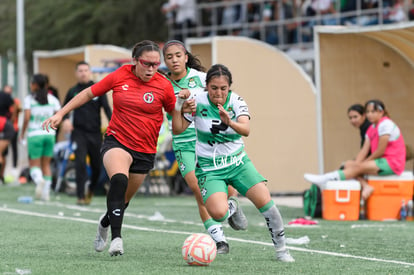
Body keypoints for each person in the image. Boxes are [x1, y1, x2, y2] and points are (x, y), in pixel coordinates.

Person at [42, 40, 183, 257]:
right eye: (147, 64)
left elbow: (177, 123)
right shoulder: (120, 75)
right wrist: (61, 113)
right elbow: (88, 93)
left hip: (145, 150)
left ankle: (105, 221)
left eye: (156, 65)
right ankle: (117, 239)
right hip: (117, 141)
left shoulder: (163, 85)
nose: (152, 69)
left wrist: (185, 111)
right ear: (135, 61)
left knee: (123, 199)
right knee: (119, 179)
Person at [171, 64, 295, 262]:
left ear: (229, 88)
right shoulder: (196, 100)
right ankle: (232, 207)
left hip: (238, 163)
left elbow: (245, 130)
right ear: (206, 87)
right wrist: (179, 105)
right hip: (210, 169)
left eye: (223, 88)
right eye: (213, 88)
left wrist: (230, 122)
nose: (218, 93)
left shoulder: (237, 102)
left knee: (268, 205)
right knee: (219, 214)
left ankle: (282, 251)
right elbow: (177, 130)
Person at [162, 40, 248, 254]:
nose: (174, 60)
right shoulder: (161, 84)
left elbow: (225, 96)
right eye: (169, 56)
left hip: (208, 140)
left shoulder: (202, 79)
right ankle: (220, 241)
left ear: (185, 57)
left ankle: (232, 205)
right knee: (200, 191)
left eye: (178, 55)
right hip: (183, 142)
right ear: (165, 60)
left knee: (227, 190)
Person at [305, 99, 406, 200]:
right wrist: (357, 164)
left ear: (381, 112)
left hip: (392, 162)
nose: (369, 115)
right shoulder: (371, 128)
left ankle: (326, 178)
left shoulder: (386, 124)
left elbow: (381, 151)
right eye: (367, 112)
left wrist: (363, 163)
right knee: (349, 164)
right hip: (381, 161)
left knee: (357, 167)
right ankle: (366, 187)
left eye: (373, 112)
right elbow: (364, 150)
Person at [63, 61, 112, 205]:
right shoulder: (72, 91)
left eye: (85, 70)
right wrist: (65, 119)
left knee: (97, 166)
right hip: (79, 133)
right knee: (80, 163)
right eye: (80, 70)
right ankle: (80, 196)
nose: (83, 73)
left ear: (90, 72)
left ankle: (91, 189)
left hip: (95, 133)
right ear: (76, 73)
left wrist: (114, 124)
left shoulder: (98, 89)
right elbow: (64, 109)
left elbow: (107, 109)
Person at [20, 74, 61, 200]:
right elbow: (58, 116)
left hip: (34, 135)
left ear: (35, 85)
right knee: (46, 165)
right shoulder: (53, 99)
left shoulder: (29, 100)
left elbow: (26, 118)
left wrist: (22, 134)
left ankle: (39, 181)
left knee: (34, 166)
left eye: (31, 83)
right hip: (49, 135)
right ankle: (46, 194)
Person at [2, 85, 21, 180]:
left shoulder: (15, 102)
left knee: (14, 148)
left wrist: (12, 120)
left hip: (13, 128)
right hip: (5, 128)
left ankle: (14, 168)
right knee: (3, 152)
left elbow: (18, 110)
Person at [0, 88, 16, 185]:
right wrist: (12, 120)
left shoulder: (4, 95)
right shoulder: (5, 95)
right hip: (7, 125)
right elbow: (15, 105)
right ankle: (1, 177)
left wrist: (12, 120)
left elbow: (15, 105)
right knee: (3, 154)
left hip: (5, 126)